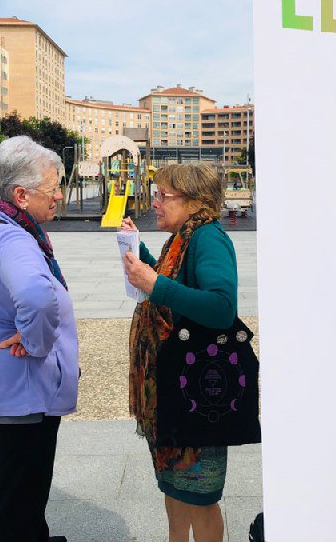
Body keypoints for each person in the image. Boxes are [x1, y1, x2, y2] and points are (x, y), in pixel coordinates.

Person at [0, 135, 78, 542]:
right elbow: (37, 298)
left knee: (20, 491)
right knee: (15, 501)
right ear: (21, 195)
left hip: (2, 386)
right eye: (53, 187)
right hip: (18, 392)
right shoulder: (12, 238)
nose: (59, 195)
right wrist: (35, 339)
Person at [122, 162, 237, 542]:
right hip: (173, 390)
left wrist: (154, 284)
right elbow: (173, 289)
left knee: (200, 495)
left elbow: (221, 307)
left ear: (194, 201)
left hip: (198, 392)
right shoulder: (180, 238)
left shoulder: (208, 239)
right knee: (175, 487)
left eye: (163, 196)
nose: (155, 202)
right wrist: (140, 256)